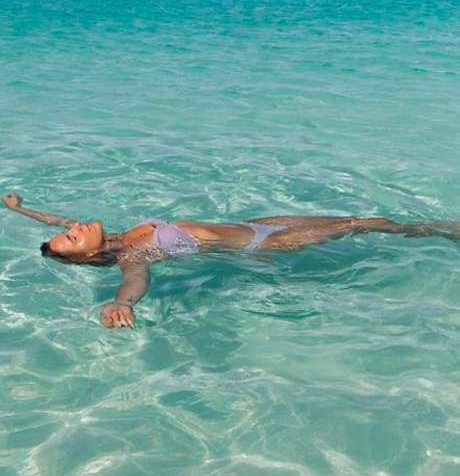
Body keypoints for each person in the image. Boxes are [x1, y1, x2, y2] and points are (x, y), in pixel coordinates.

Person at [2, 192, 459, 329]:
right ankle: (444, 232)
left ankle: (439, 229)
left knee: (361, 219)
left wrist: (19, 209)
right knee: (366, 223)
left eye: (69, 230)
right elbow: (135, 282)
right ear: (89, 255)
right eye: (71, 237)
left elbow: (56, 220)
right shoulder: (133, 255)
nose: (74, 227)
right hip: (261, 246)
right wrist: (123, 304)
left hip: (256, 223)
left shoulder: (117, 236)